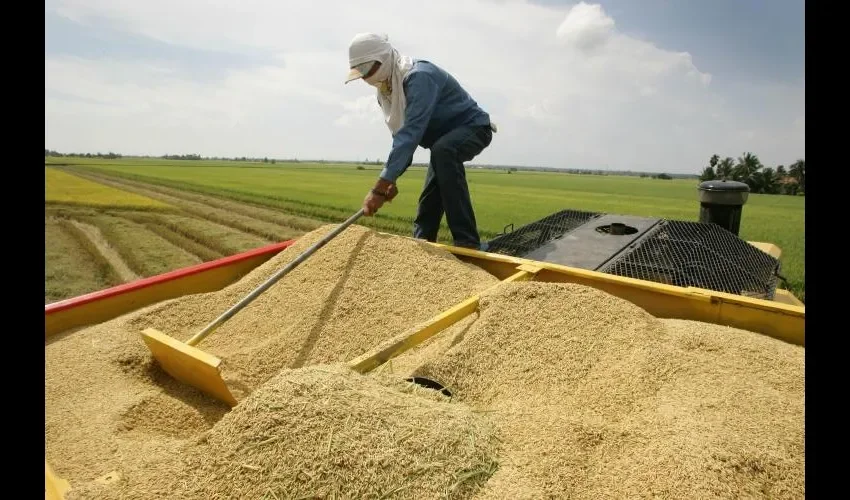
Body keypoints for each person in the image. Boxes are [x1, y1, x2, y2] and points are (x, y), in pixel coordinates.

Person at [344, 32, 496, 250]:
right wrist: (391, 180)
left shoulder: (418, 77)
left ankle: (467, 242)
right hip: (442, 146)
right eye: (362, 74)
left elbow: (411, 134)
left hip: (473, 128)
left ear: (384, 58)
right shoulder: (387, 92)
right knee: (431, 192)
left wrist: (380, 187)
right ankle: (421, 245)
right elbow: (401, 140)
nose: (367, 79)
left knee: (444, 151)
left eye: (369, 70)